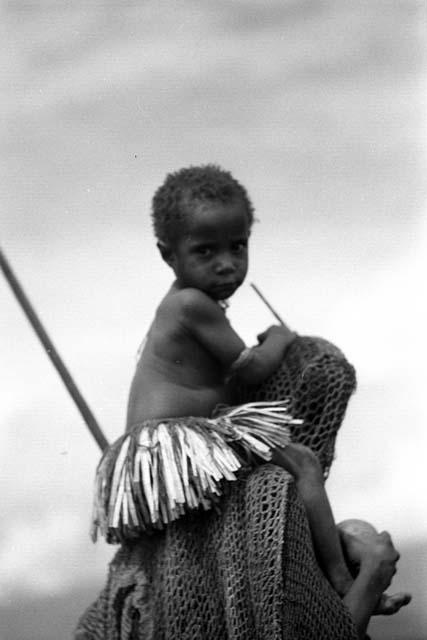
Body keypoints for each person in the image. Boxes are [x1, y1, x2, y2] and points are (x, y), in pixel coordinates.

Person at [85, 165, 409, 639]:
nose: (226, 264)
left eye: (237, 247)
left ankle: (336, 575)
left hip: (166, 440)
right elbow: (252, 369)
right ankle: (343, 579)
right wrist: (279, 338)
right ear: (167, 255)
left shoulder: (187, 304)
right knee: (303, 467)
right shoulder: (191, 304)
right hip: (176, 439)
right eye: (204, 251)